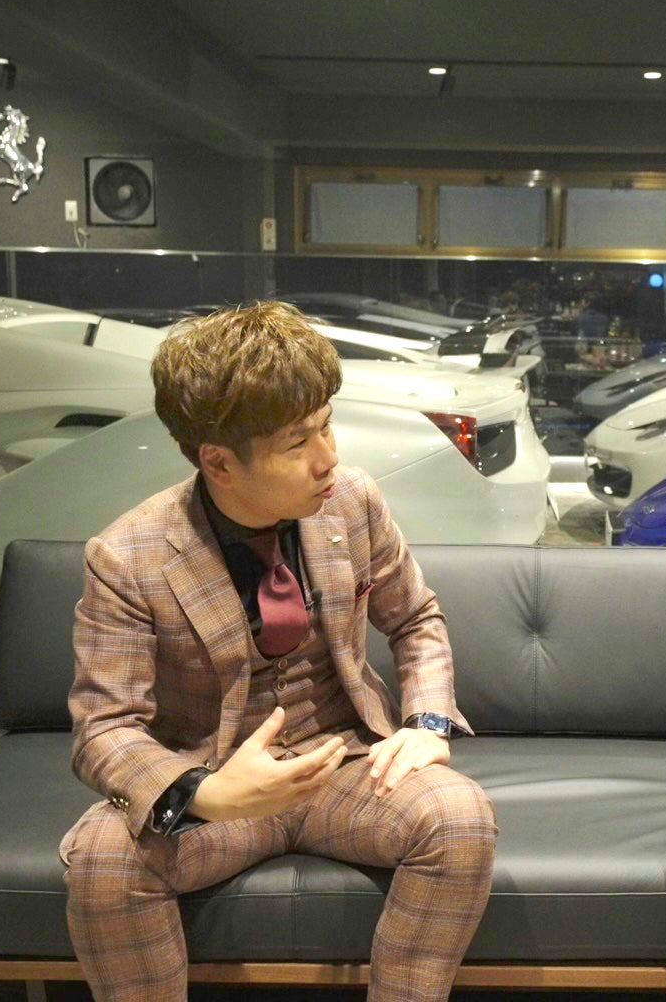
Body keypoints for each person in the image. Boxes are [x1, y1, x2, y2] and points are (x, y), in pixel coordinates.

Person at [61, 301, 496, 1002]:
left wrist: (427, 723)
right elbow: (104, 729)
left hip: (342, 764)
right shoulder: (128, 556)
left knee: (460, 816)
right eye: (298, 443)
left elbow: (416, 619)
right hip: (217, 782)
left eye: (327, 425)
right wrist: (205, 793)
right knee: (104, 858)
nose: (328, 457)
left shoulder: (351, 501)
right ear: (219, 462)